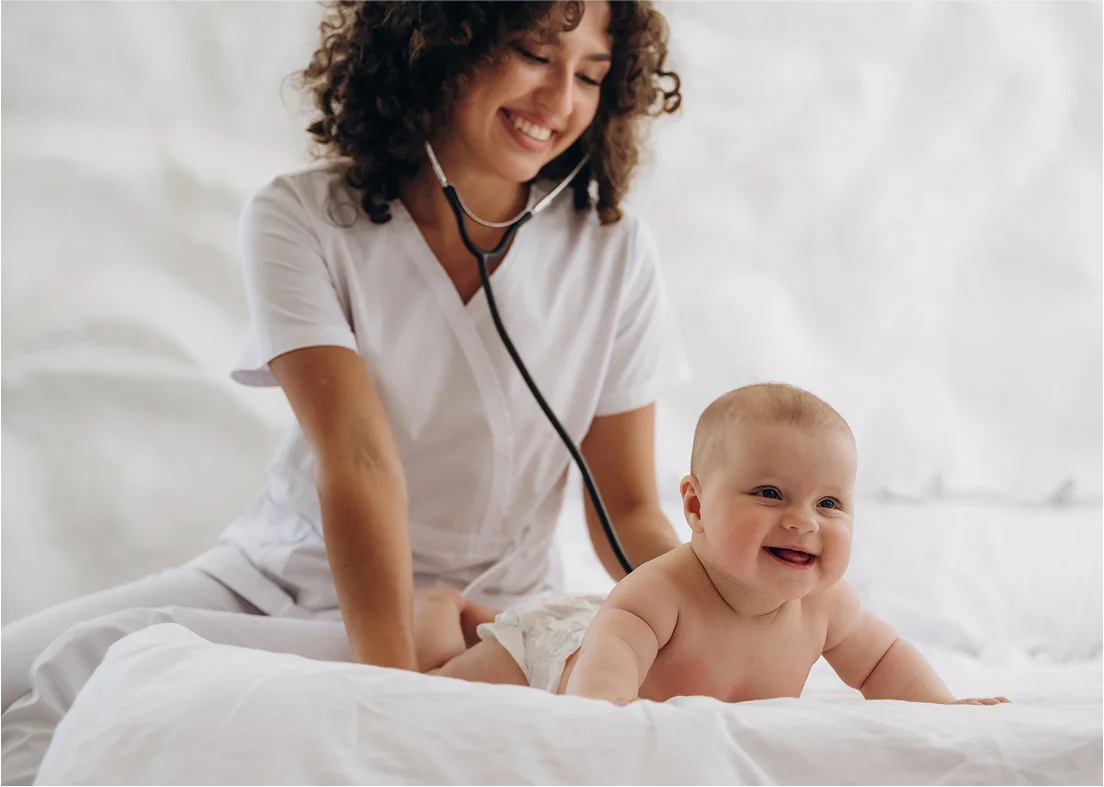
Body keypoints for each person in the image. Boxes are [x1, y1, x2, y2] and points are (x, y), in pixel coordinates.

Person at [0, 0, 689, 782]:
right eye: (535, 53)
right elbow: (357, 456)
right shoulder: (300, 217)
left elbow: (626, 506)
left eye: (591, 75)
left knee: (96, 666)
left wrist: (725, 601)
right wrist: (389, 685)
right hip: (283, 577)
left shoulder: (614, 249)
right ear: (441, 43)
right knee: (14, 673)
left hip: (490, 615)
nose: (561, 101)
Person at [411, 383, 1012, 707]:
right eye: (771, 493)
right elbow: (601, 692)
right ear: (695, 506)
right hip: (561, 651)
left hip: (608, 629)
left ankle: (488, 615)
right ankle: (447, 608)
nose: (804, 522)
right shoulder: (659, 590)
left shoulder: (829, 608)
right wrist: (602, 720)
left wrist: (943, 710)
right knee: (439, 683)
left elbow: (884, 665)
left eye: (829, 503)